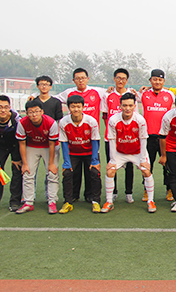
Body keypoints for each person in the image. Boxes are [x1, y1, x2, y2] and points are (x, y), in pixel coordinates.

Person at [53, 68, 107, 202]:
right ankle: (73, 196)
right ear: (73, 80)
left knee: (91, 171)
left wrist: (136, 91)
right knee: (73, 171)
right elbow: (53, 99)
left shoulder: (97, 91)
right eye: (77, 78)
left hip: (90, 138)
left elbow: (115, 93)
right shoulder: (69, 93)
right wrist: (35, 98)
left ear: (87, 79)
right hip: (73, 138)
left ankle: (90, 196)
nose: (80, 80)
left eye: (83, 78)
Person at [101, 93, 157, 213]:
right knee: (110, 171)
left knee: (146, 171)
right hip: (120, 152)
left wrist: (143, 160)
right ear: (120, 106)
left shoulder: (140, 120)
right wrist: (112, 160)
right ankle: (109, 201)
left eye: (130, 105)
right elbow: (111, 140)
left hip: (137, 152)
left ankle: (150, 201)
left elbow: (143, 140)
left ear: (134, 106)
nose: (127, 108)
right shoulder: (113, 120)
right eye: (125, 105)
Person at [58, 95, 101, 214]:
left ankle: (95, 201)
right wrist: (66, 162)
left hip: (89, 152)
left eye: (78, 106)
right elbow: (64, 143)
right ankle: (68, 201)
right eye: (73, 107)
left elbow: (95, 141)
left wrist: (95, 161)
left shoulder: (91, 121)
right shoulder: (63, 122)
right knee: (67, 173)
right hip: (73, 153)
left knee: (94, 172)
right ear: (68, 108)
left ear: (83, 107)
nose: (76, 109)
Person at [15, 100, 60, 214]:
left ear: (42, 112)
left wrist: (51, 163)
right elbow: (22, 143)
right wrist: (25, 164)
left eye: (36, 111)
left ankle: (52, 201)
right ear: (26, 113)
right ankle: (28, 202)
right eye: (31, 112)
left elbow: (52, 144)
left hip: (49, 147)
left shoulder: (51, 122)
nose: (34, 115)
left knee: (52, 173)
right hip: (32, 146)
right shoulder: (22, 123)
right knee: (27, 173)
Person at [138, 69, 176, 201]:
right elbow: (127, 94)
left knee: (168, 164)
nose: (157, 82)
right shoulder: (143, 93)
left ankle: (170, 189)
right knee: (148, 164)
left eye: (160, 80)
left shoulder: (170, 94)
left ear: (163, 81)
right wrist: (109, 90)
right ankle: (146, 190)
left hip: (165, 136)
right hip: (148, 136)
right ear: (150, 80)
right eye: (154, 79)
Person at [101, 68, 136, 203]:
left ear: (127, 80)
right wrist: (112, 131)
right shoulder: (107, 95)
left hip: (128, 138)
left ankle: (129, 192)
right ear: (114, 79)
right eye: (118, 78)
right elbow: (105, 116)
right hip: (111, 138)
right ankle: (113, 192)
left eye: (123, 78)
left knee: (129, 166)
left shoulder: (132, 94)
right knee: (112, 165)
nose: (121, 81)